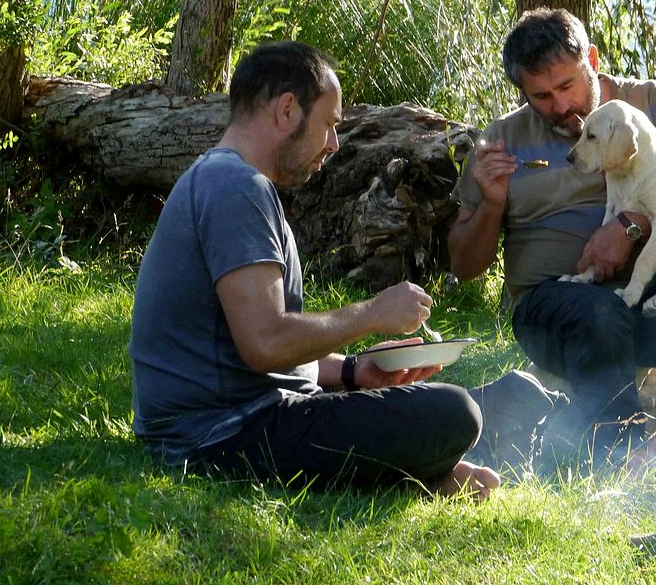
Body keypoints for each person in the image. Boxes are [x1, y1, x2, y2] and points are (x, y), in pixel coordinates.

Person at [128, 40, 500, 499]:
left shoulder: (231, 180)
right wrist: (373, 313)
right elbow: (265, 342)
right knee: (454, 412)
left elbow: (252, 345)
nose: (334, 144)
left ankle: (418, 474)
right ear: (287, 111)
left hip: (233, 419)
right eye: (328, 123)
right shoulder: (235, 187)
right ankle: (417, 477)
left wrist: (351, 371)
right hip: (219, 436)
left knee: (462, 403)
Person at [448, 8, 656, 467]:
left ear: (593, 60)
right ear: (522, 90)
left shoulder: (654, 102)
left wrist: (630, 227)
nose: (560, 106)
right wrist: (490, 203)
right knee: (601, 312)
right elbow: (464, 265)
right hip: (558, 310)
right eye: (540, 96)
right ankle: (620, 458)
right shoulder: (503, 139)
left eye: (567, 86)